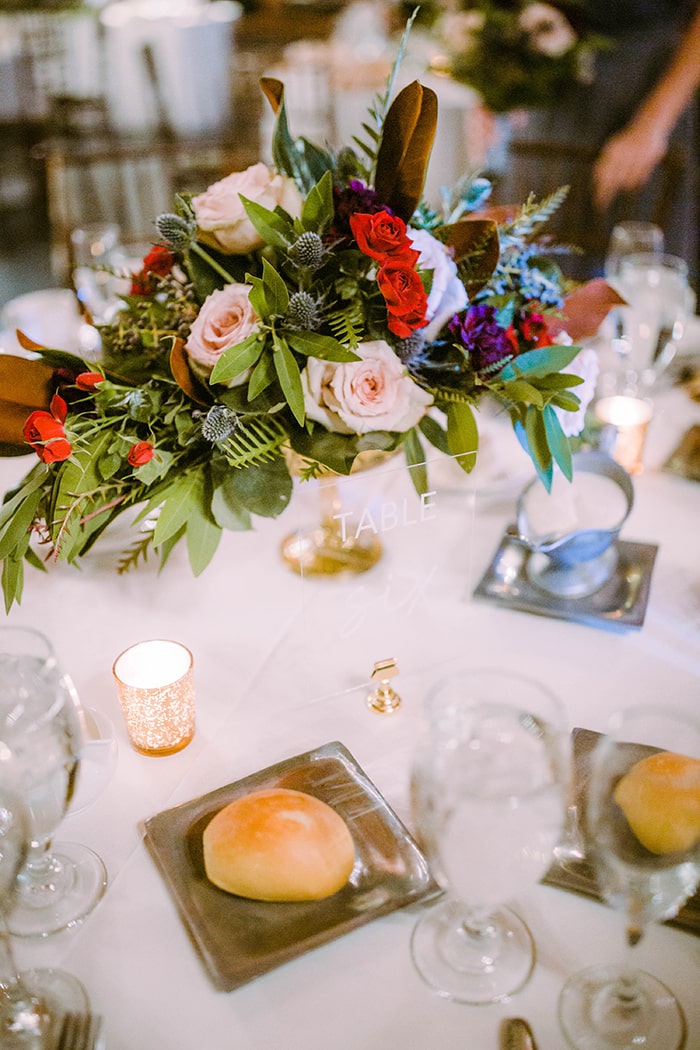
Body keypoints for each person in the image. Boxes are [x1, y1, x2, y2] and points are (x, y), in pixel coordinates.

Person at [492, 1, 700, 285]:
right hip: (542, 91)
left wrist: (653, 123)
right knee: (523, 266)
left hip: (644, 87)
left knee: (639, 270)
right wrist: (488, 82)